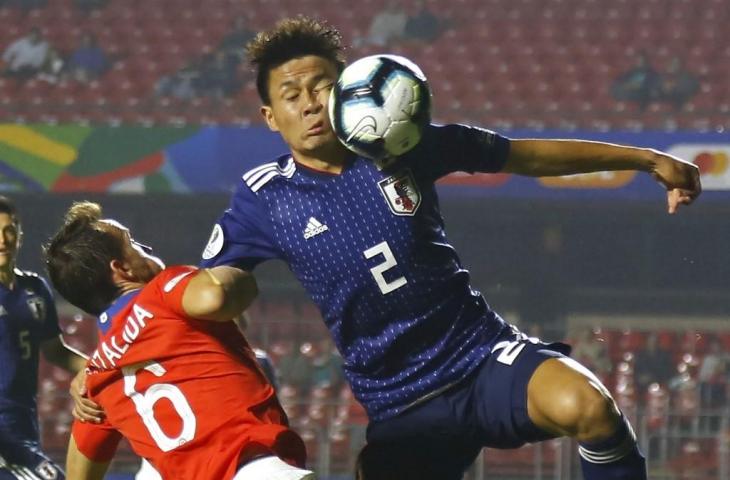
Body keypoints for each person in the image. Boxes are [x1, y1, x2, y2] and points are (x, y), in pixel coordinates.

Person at [200, 17, 701, 480]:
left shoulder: (403, 144)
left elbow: (521, 155)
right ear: (271, 116)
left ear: (346, 92)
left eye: (322, 86)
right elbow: (208, 290)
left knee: (589, 406)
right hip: (399, 403)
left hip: (480, 354)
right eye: (292, 95)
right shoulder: (265, 196)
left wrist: (645, 158)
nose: (310, 103)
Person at [45, 202, 314, 480]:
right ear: (122, 269)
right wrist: (240, 271)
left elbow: (79, 475)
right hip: (253, 468)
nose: (146, 248)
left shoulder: (97, 378)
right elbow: (217, 295)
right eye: (133, 243)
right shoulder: (162, 290)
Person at [0, 195, 90, 480]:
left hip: (24, 421)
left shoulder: (35, 289)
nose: (2, 239)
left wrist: (100, 370)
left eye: (9, 229)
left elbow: (55, 351)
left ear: (20, 234)